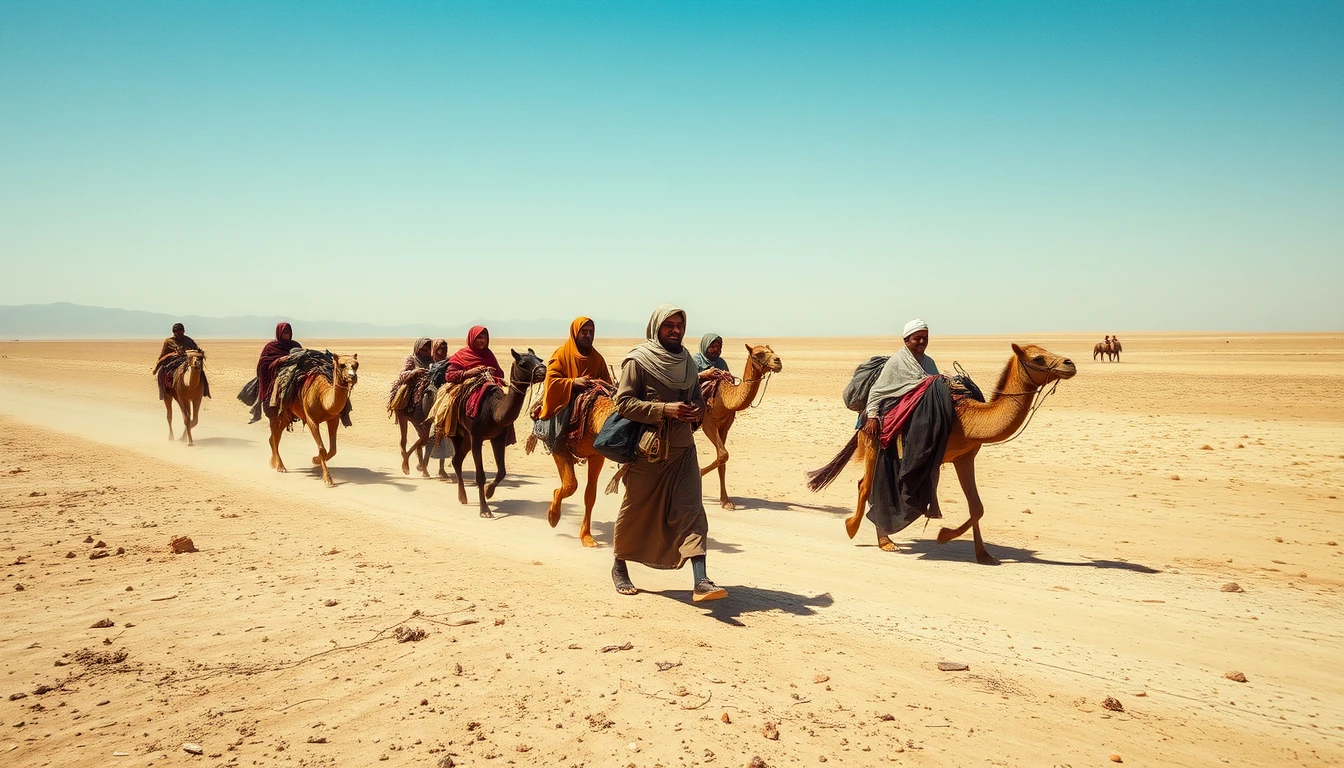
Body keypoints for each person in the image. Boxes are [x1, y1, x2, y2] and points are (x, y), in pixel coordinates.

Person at [611, 304, 725, 602]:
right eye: (669, 326)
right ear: (656, 327)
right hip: (647, 451)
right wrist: (664, 409)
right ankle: (619, 565)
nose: (676, 330)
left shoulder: (687, 360)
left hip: (683, 449)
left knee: (692, 510)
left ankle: (701, 580)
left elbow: (696, 396)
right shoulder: (638, 361)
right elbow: (623, 403)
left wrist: (697, 409)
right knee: (636, 508)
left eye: (680, 325)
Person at [861, 319, 954, 548]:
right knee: (886, 477)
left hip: (918, 422)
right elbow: (877, 391)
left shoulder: (928, 362)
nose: (922, 342)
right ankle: (882, 533)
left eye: (925, 338)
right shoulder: (897, 362)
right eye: (917, 338)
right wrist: (872, 416)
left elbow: (929, 391)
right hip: (893, 424)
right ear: (906, 340)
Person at [537, 317, 612, 421]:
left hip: (593, 403)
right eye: (584, 332)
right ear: (575, 333)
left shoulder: (598, 358)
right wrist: (573, 382)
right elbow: (551, 381)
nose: (588, 336)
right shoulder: (561, 355)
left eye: (591, 332)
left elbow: (608, 383)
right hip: (566, 403)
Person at [251, 322, 302, 422]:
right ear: (279, 333)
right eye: (284, 333)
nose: (286, 335)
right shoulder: (270, 347)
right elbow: (263, 363)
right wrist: (278, 361)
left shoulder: (295, 346)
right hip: (275, 374)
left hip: (293, 373)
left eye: (288, 332)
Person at [153, 323, 208, 401]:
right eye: (177, 331)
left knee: (200, 372)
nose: (180, 332)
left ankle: (204, 390)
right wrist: (171, 356)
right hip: (173, 361)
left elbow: (195, 350)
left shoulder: (188, 340)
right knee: (164, 371)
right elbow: (163, 354)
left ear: (184, 331)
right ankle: (165, 390)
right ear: (174, 332)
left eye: (181, 330)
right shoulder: (169, 341)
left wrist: (198, 353)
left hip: (188, 360)